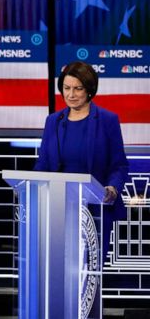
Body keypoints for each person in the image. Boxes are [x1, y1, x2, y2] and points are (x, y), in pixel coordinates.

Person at [35, 61, 128, 256]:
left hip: (95, 208)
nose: (71, 94)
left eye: (78, 89)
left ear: (89, 90)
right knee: (59, 263)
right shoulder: (53, 121)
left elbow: (119, 164)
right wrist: (32, 187)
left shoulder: (107, 120)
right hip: (59, 207)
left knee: (89, 269)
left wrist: (112, 187)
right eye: (66, 88)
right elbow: (43, 163)